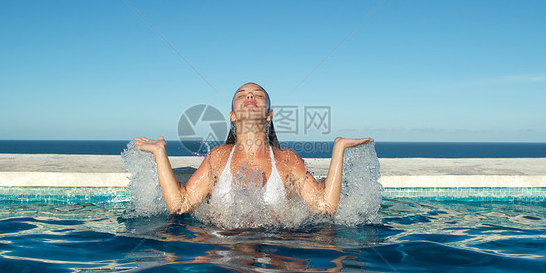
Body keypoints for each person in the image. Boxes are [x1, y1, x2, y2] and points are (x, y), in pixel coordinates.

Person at [134, 82, 372, 216]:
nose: (250, 95)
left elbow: (325, 207)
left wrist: (338, 149)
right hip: (223, 250)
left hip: (274, 252)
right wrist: (159, 152)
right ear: (233, 116)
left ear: (268, 115)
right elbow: (181, 204)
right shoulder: (218, 157)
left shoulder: (287, 160)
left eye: (258, 95)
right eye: (242, 95)